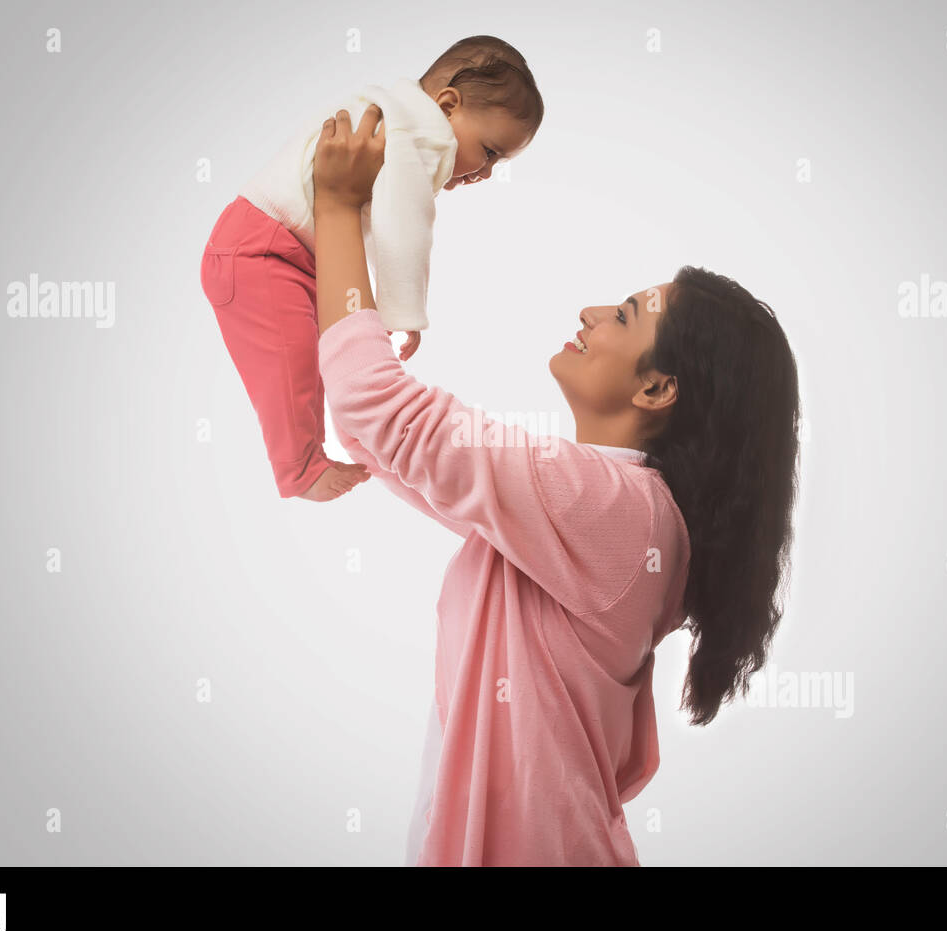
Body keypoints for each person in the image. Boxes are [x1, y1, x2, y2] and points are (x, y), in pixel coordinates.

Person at [311, 104, 802, 865]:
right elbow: (391, 441)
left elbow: (376, 409)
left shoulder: (614, 512)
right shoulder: (606, 516)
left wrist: (338, 207)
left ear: (657, 388)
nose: (591, 312)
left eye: (627, 313)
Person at [199, 36, 541, 502]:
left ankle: (310, 456)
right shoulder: (424, 135)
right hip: (261, 253)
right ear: (447, 105)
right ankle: (299, 470)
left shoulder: (400, 119)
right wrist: (404, 313)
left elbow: (384, 224)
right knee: (292, 362)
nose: (486, 172)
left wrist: (381, 306)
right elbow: (405, 226)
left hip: (279, 250)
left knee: (324, 358)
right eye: (490, 151)